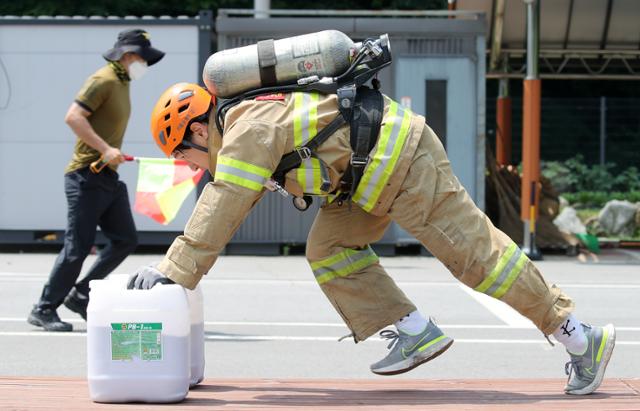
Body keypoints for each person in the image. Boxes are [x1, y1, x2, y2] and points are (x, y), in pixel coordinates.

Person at [131, 81, 615, 395]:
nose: (187, 165)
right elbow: (237, 197)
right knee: (329, 249)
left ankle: (576, 335)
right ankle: (413, 330)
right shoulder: (246, 127)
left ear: (197, 129)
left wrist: (172, 270)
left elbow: (225, 203)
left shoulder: (243, 131)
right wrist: (179, 270)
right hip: (365, 180)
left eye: (182, 154)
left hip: (400, 160)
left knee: (478, 258)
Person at [28, 29, 165, 332]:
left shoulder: (121, 82)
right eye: (143, 57)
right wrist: (104, 149)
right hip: (85, 175)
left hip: (107, 176)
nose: (145, 63)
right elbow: (73, 116)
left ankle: (80, 295)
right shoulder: (103, 79)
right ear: (128, 55)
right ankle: (44, 308)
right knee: (78, 246)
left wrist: (111, 151)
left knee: (125, 239)